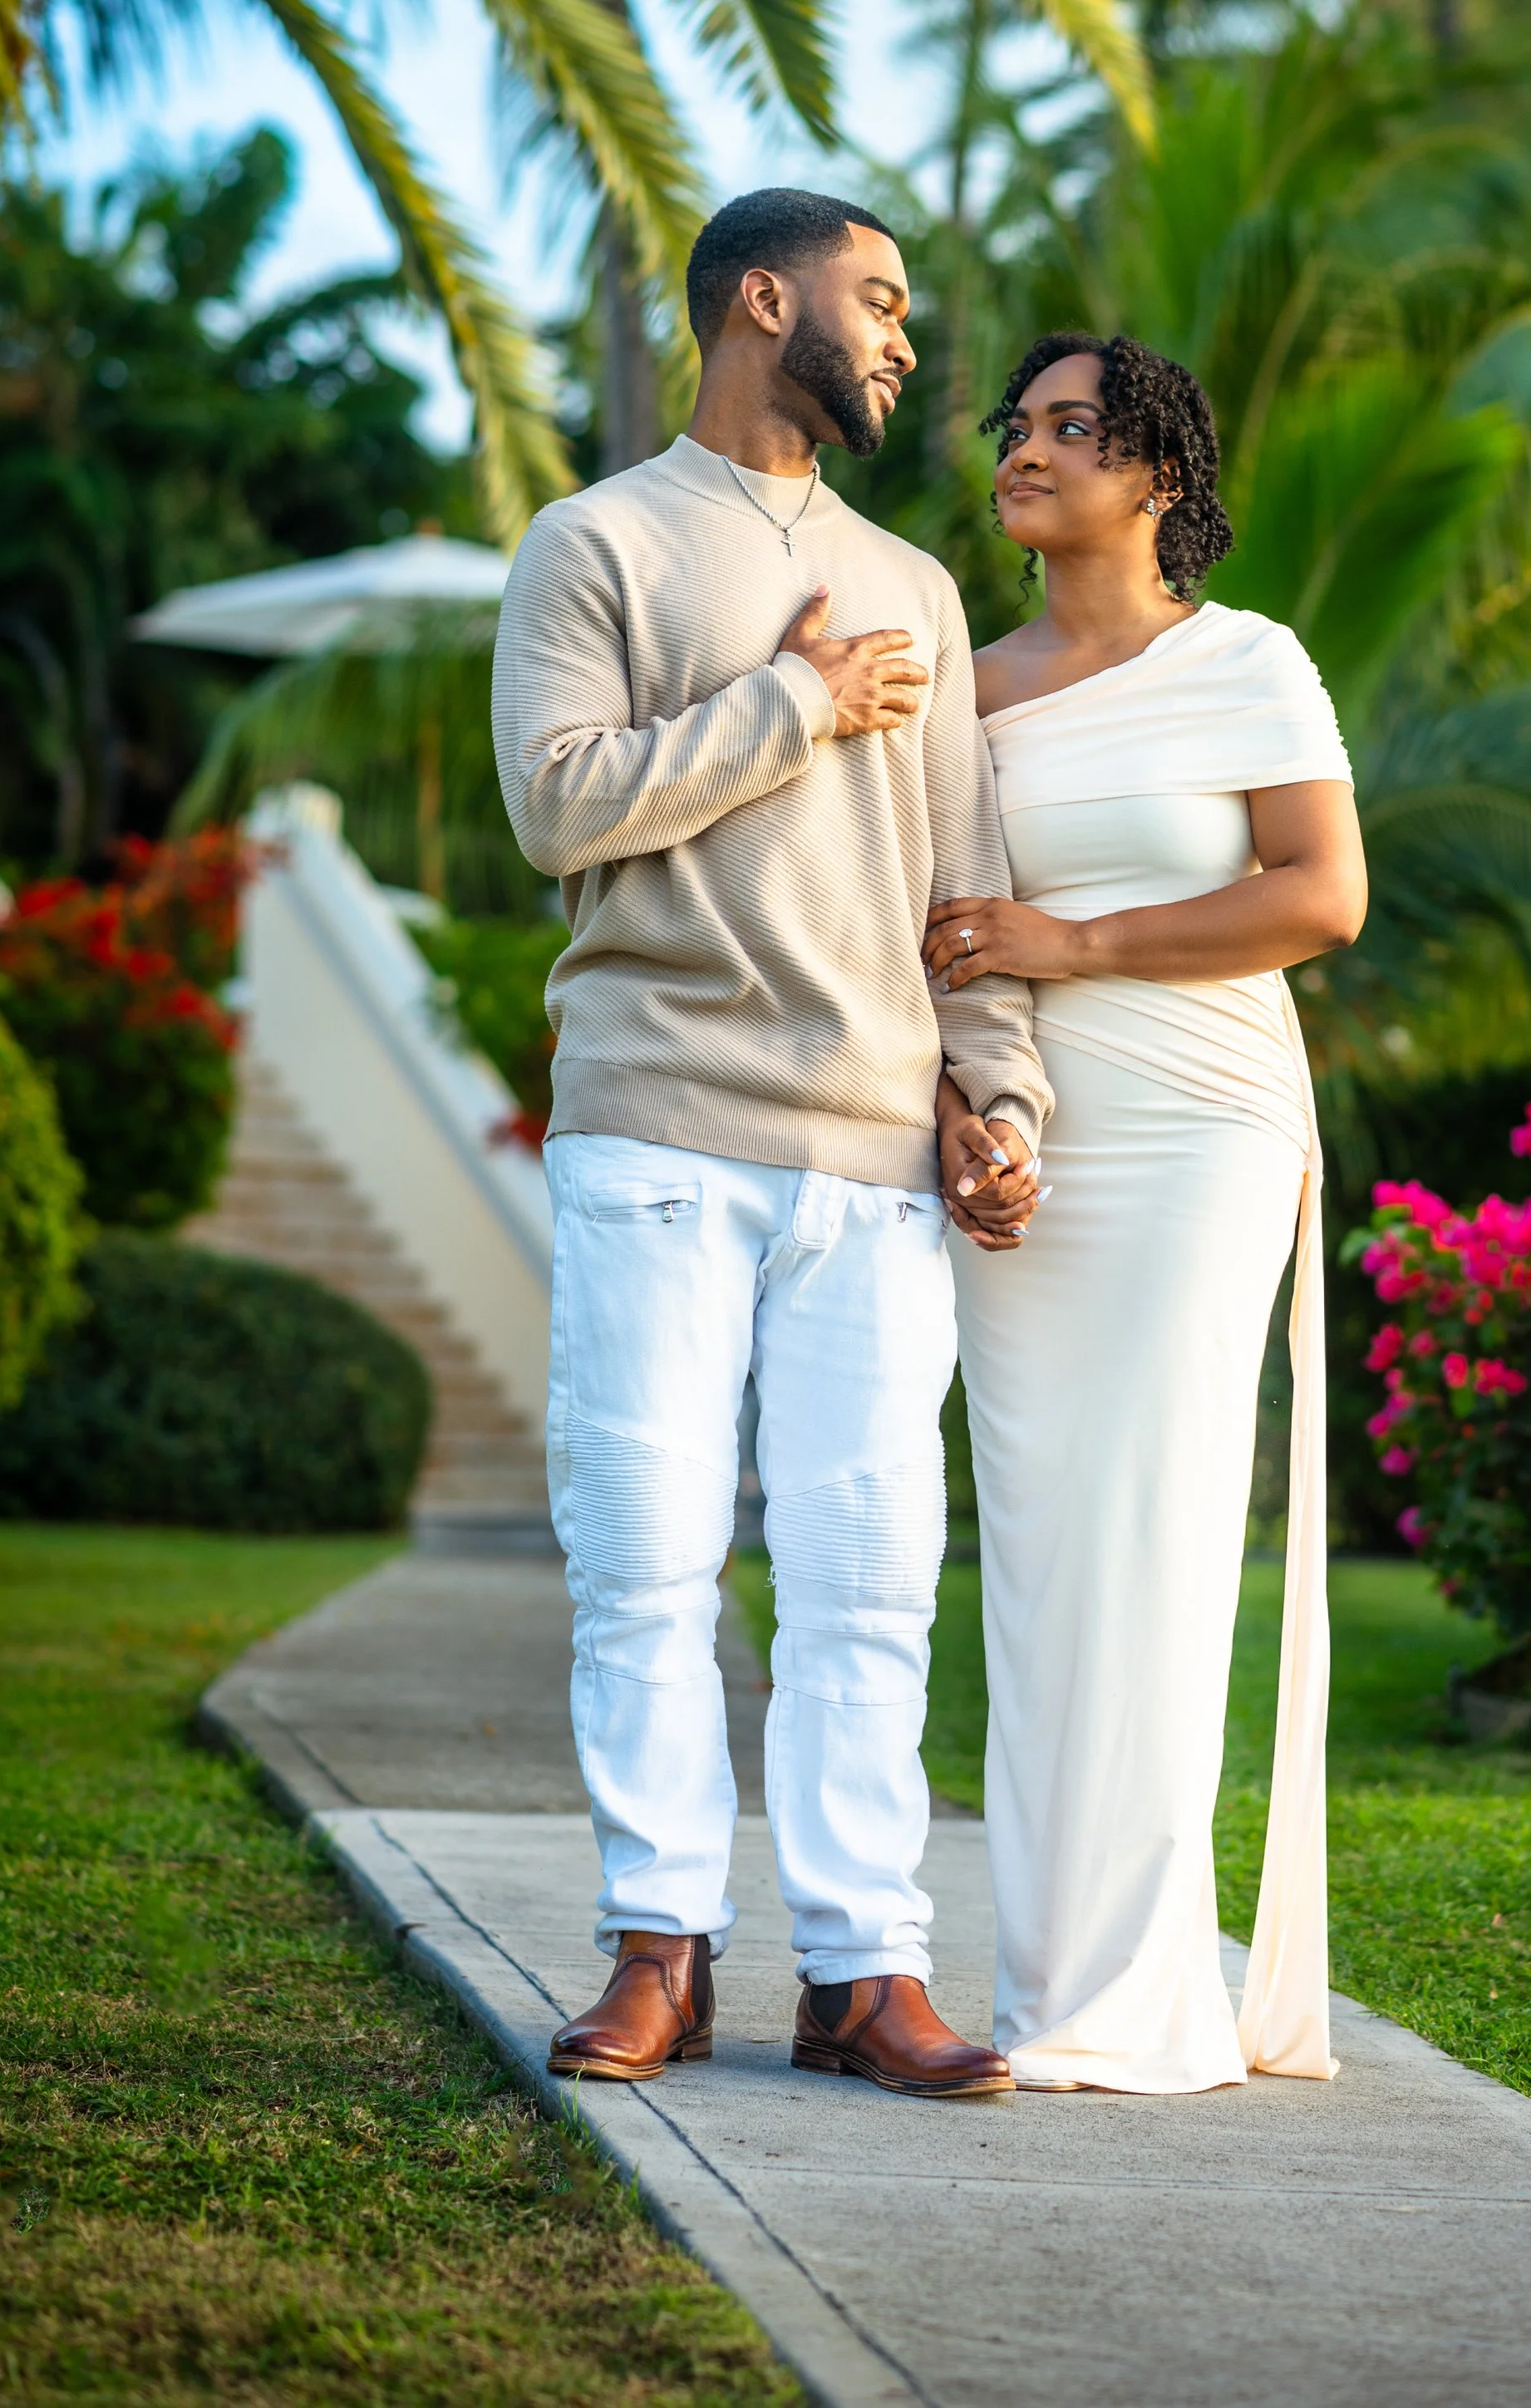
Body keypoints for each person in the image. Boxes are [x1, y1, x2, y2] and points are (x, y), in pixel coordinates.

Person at [490, 188, 1051, 2101]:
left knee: (867, 1573)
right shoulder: (594, 545)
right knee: (645, 1557)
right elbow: (559, 809)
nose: (900, 339)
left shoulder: (921, 581)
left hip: (874, 1160)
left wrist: (998, 1095)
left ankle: (860, 1975)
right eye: (874, 298)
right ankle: (661, 1948)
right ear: (760, 296)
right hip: (658, 1125)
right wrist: (795, 701)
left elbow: (959, 894)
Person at [926, 333, 1366, 2093]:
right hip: (1028, 1149)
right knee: (1036, 1551)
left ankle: (1137, 1996)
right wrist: (963, 1116)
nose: (1023, 453)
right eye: (1015, 428)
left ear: (1157, 474)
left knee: (1161, 1536)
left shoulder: (1250, 662)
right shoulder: (959, 685)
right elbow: (933, 940)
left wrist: (1083, 942)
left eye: (1068, 428)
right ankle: (1059, 1986)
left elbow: (1319, 895)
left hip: (1201, 1130)